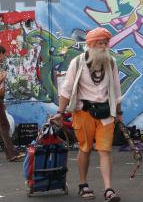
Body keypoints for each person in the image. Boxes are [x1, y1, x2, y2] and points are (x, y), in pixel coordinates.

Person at [51, 27, 122, 202]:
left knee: (105, 151)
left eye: (106, 43)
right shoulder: (77, 62)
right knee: (85, 149)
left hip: (105, 114)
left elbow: (117, 91)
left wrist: (119, 113)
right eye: (100, 43)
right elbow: (66, 91)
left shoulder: (111, 62)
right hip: (83, 113)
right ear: (90, 44)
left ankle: (109, 189)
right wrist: (60, 112)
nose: (104, 46)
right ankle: (83, 184)